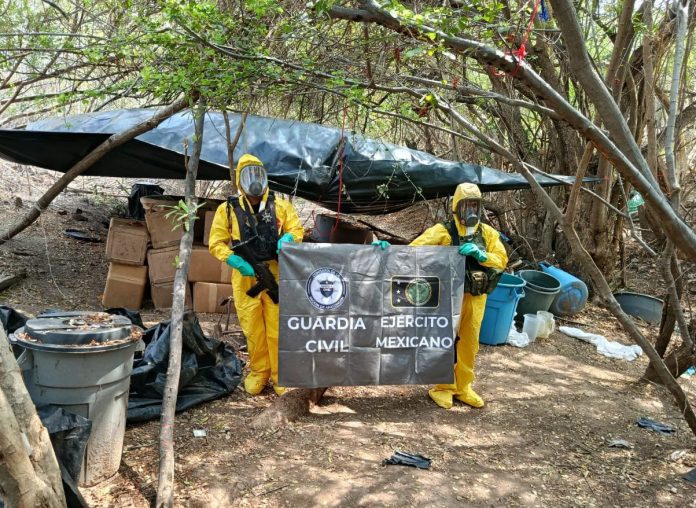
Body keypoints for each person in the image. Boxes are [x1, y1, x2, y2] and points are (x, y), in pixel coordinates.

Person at [373, 183, 507, 409]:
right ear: (456, 207)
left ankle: (463, 387)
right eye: (466, 205)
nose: (471, 211)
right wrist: (387, 250)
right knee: (445, 341)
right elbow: (413, 251)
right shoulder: (443, 231)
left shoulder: (488, 234)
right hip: (448, 298)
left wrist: (482, 255)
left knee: (470, 343)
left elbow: (501, 260)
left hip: (476, 297)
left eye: (475, 205)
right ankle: (443, 387)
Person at [209, 154, 304, 396]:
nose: (254, 181)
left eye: (257, 174)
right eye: (248, 175)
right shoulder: (227, 209)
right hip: (245, 276)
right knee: (253, 328)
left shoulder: (280, 206)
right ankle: (260, 372)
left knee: (277, 327)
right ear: (240, 180)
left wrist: (288, 238)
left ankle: (281, 375)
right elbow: (216, 242)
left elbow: (296, 229)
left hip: (275, 273)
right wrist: (233, 260)